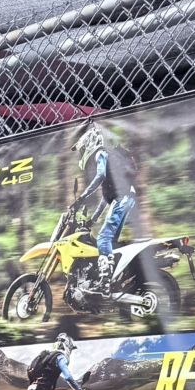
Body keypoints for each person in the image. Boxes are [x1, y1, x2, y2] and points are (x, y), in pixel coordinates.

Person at [73, 119, 138, 291]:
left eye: (81, 150)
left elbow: (100, 176)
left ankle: (105, 282)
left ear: (89, 143)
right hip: (125, 197)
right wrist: (92, 220)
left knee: (103, 238)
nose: (81, 154)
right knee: (110, 240)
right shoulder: (111, 167)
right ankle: (116, 278)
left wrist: (83, 196)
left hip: (123, 197)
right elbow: (105, 199)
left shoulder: (100, 153)